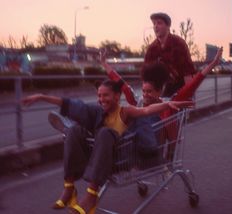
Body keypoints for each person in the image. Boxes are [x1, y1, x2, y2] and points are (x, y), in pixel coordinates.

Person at [22, 80, 193, 214]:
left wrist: (167, 105)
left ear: (117, 96)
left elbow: (146, 111)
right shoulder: (98, 111)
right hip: (101, 158)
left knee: (105, 133)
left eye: (106, 95)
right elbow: (69, 103)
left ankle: (91, 194)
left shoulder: (126, 111)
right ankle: (69, 187)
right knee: (74, 131)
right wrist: (41, 97)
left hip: (121, 158)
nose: (101, 99)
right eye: (99, 95)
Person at [144, 12, 197, 97]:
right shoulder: (152, 48)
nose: (155, 26)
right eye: (154, 24)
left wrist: (189, 94)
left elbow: (188, 71)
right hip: (158, 89)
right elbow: (146, 74)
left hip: (179, 87)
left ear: (168, 26)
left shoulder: (178, 43)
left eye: (159, 23)